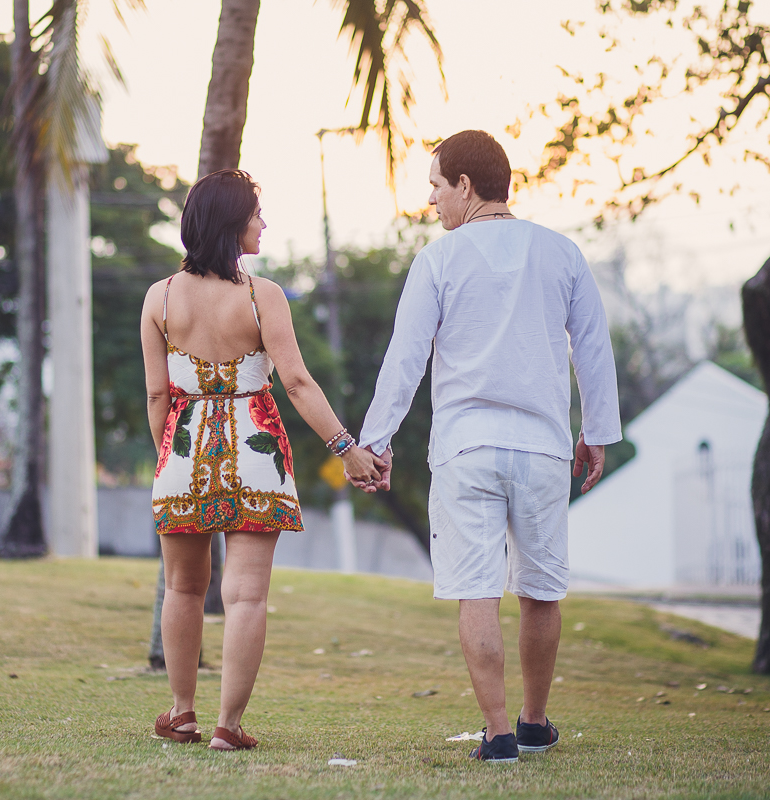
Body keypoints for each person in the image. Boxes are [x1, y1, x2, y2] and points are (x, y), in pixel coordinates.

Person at [351, 131, 621, 762]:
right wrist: (598, 433)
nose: (433, 202)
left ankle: (497, 733)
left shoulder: (439, 260)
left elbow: (406, 358)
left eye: (436, 187)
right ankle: (533, 723)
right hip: (544, 447)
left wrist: (376, 442)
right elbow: (594, 347)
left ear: (466, 187)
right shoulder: (561, 253)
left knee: (478, 590)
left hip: (465, 449)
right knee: (540, 590)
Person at [141, 169, 386, 751]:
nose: (264, 223)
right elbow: (297, 383)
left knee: (182, 588)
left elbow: (156, 395)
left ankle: (182, 713)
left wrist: (167, 460)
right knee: (247, 594)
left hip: (183, 447)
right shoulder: (262, 295)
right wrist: (346, 450)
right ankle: (229, 725)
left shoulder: (161, 297)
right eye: (256, 213)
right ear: (231, 223)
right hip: (257, 450)